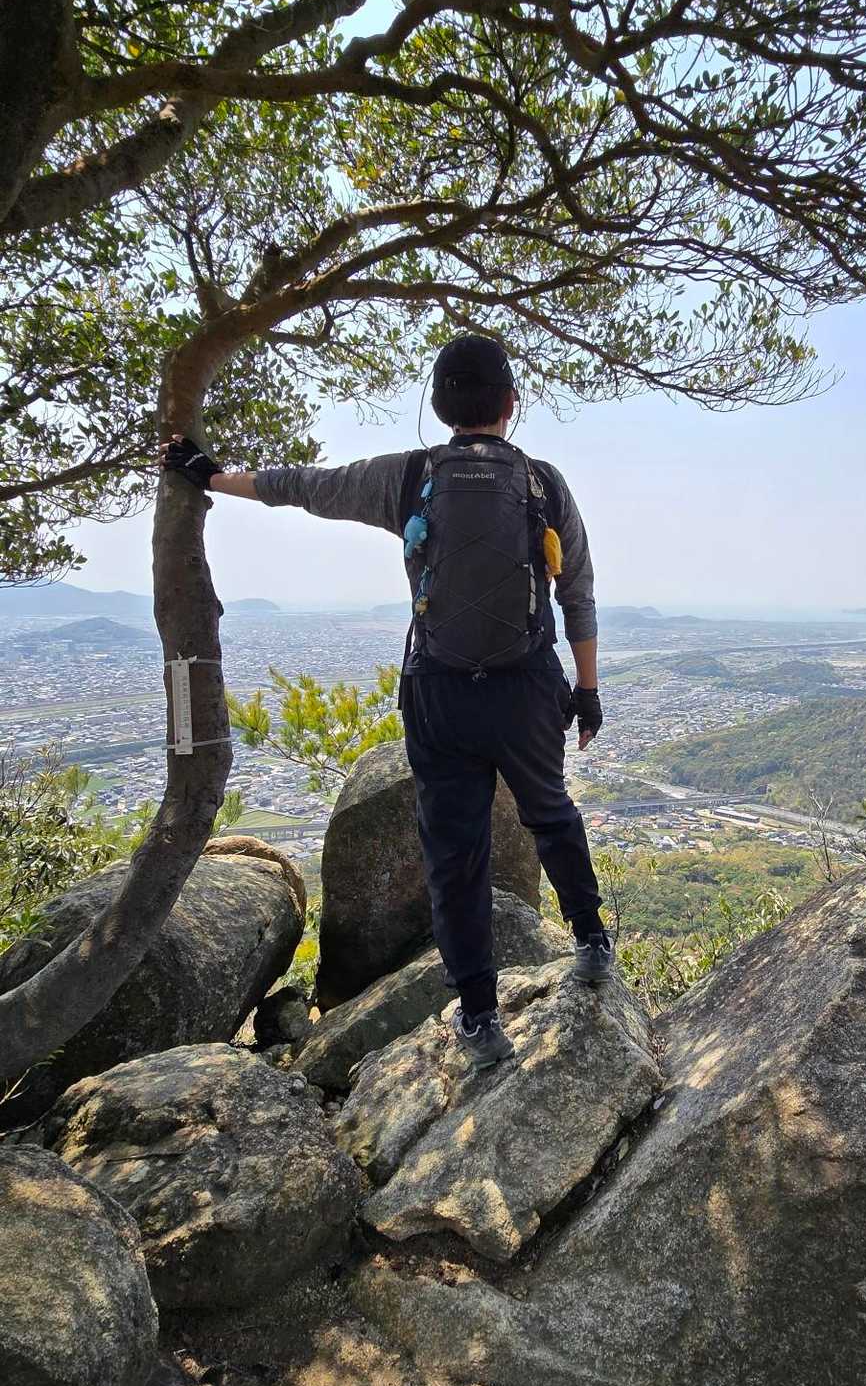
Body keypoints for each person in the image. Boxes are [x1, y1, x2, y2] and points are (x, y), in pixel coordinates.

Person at [161, 334, 612, 1070]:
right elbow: (578, 592)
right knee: (550, 813)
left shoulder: (408, 477)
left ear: (439, 404)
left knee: (455, 856)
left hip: (438, 693)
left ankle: (479, 1017)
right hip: (527, 688)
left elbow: (305, 486)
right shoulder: (544, 484)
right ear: (510, 403)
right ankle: (591, 941)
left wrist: (209, 475)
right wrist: (586, 691)